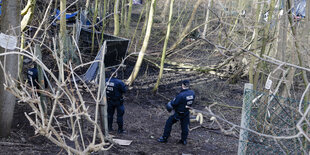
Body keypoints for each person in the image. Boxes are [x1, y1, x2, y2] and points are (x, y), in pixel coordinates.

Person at [157, 80, 195, 145]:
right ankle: (184, 140)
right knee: (185, 126)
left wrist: (170, 104)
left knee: (169, 122)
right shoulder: (192, 93)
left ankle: (164, 138)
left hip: (179, 113)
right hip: (186, 112)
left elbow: (174, 103)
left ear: (182, 85)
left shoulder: (181, 95)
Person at [106, 69, 127, 133]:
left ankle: (109, 128)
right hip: (118, 101)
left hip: (109, 100)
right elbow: (124, 90)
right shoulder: (119, 82)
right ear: (116, 74)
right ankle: (120, 130)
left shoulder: (105, 80)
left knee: (109, 114)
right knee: (119, 115)